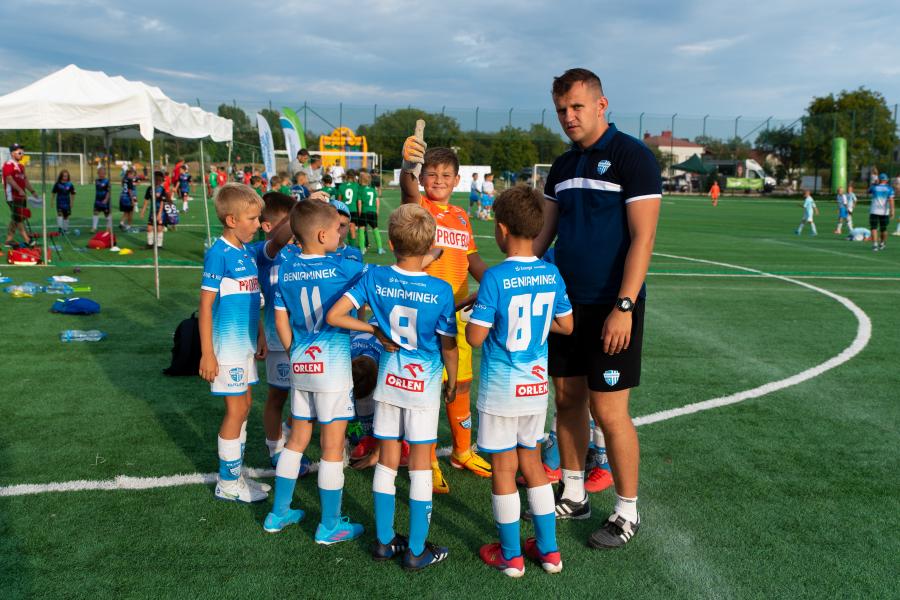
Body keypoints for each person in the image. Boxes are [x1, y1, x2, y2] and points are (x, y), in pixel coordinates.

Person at [532, 68, 662, 549]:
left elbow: (643, 238)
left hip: (612, 306)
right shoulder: (563, 166)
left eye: (577, 107)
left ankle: (627, 511)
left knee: (609, 410)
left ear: (601, 105)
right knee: (566, 400)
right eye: (561, 109)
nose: (568, 116)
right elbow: (542, 236)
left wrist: (624, 306)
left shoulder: (632, 156)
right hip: (565, 306)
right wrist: (515, 280)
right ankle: (573, 492)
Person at [327, 203, 458, 571]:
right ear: (429, 243)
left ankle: (385, 542)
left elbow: (336, 315)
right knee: (419, 466)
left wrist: (373, 329)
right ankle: (416, 549)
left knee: (386, 462)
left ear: (389, 241)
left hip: (389, 384)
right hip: (423, 388)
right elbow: (449, 346)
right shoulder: (441, 290)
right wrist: (453, 379)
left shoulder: (375, 276)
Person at [465, 186, 573, 577]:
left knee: (504, 469)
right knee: (534, 464)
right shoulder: (551, 273)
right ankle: (549, 551)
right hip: (535, 389)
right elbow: (567, 325)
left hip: (500, 391)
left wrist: (481, 315)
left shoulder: (495, 277)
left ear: (501, 229)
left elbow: (475, 338)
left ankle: (511, 555)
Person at [264, 199, 366, 543]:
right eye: (338, 229)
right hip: (332, 370)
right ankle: (331, 524)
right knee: (332, 447)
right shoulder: (344, 268)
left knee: (296, 440)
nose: (341, 234)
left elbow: (280, 319)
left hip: (301, 363)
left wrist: (293, 350)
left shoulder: (286, 268)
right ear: (323, 235)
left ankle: (279, 513)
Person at [400, 128, 493, 493]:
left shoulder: (460, 216)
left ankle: (461, 451)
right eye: (431, 174)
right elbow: (408, 189)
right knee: (426, 387)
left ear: (457, 180)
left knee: (461, 383)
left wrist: (496, 282)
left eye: (445, 175)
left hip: (458, 313)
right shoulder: (419, 207)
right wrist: (407, 164)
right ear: (423, 178)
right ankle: (426, 460)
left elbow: (472, 259)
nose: (438, 180)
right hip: (424, 313)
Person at [198, 183, 269, 504]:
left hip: (245, 346)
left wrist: (261, 335)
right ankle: (227, 483)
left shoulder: (246, 252)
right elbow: (205, 307)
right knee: (236, 409)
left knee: (245, 406)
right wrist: (207, 354)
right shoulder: (218, 254)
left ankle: (235, 475)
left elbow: (253, 299)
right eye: (252, 219)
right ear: (231, 220)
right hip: (226, 349)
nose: (258, 225)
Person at [357, 171, 384, 255]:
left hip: (364, 212)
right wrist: (377, 211)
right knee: (375, 229)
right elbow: (377, 201)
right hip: (373, 211)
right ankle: (380, 248)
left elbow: (359, 202)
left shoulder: (360, 190)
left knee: (361, 230)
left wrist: (359, 212)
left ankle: (362, 249)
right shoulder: (372, 189)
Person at [330, 199, 364, 263]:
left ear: (348, 227)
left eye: (342, 225)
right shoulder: (313, 253)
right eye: (333, 224)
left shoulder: (356, 254)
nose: (337, 228)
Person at [868, 173, 895, 251]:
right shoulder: (889, 189)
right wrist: (892, 211)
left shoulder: (874, 187)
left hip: (874, 211)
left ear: (879, 180)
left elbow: (868, 191)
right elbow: (891, 200)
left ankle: (875, 245)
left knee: (873, 228)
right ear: (886, 180)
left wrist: (874, 183)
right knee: (884, 229)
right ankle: (882, 243)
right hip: (884, 212)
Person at [140, 171, 166, 248]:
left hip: (160, 211)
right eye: (156, 179)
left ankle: (159, 245)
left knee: (159, 228)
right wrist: (143, 211)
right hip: (152, 211)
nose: (157, 181)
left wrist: (160, 214)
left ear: (161, 180)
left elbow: (162, 202)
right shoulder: (150, 189)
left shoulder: (162, 189)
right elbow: (146, 200)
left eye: (159, 180)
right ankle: (150, 244)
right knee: (149, 228)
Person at [338, 169, 360, 241]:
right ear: (354, 176)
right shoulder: (357, 186)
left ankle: (341, 244)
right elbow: (358, 200)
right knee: (352, 227)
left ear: (346, 176)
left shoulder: (342, 186)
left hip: (344, 210)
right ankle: (352, 245)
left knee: (342, 228)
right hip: (353, 209)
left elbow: (339, 200)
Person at [91, 166, 112, 234]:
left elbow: (109, 191)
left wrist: (106, 199)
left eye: (103, 173)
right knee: (95, 212)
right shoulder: (96, 181)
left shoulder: (107, 181)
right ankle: (94, 228)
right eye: (100, 173)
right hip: (97, 200)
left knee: (107, 215)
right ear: (98, 173)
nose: (101, 174)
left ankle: (108, 227)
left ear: (105, 174)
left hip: (105, 201)